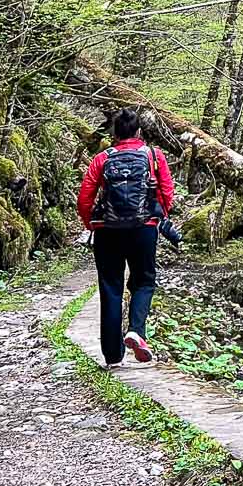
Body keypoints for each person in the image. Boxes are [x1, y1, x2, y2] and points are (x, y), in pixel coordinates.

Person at [76, 108, 175, 368]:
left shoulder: (102, 158)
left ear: (114, 133)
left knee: (110, 287)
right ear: (139, 132)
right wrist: (158, 218)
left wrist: (92, 224)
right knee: (143, 281)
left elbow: (85, 198)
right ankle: (136, 331)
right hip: (143, 229)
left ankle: (112, 356)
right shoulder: (154, 156)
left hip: (107, 231)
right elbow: (166, 193)